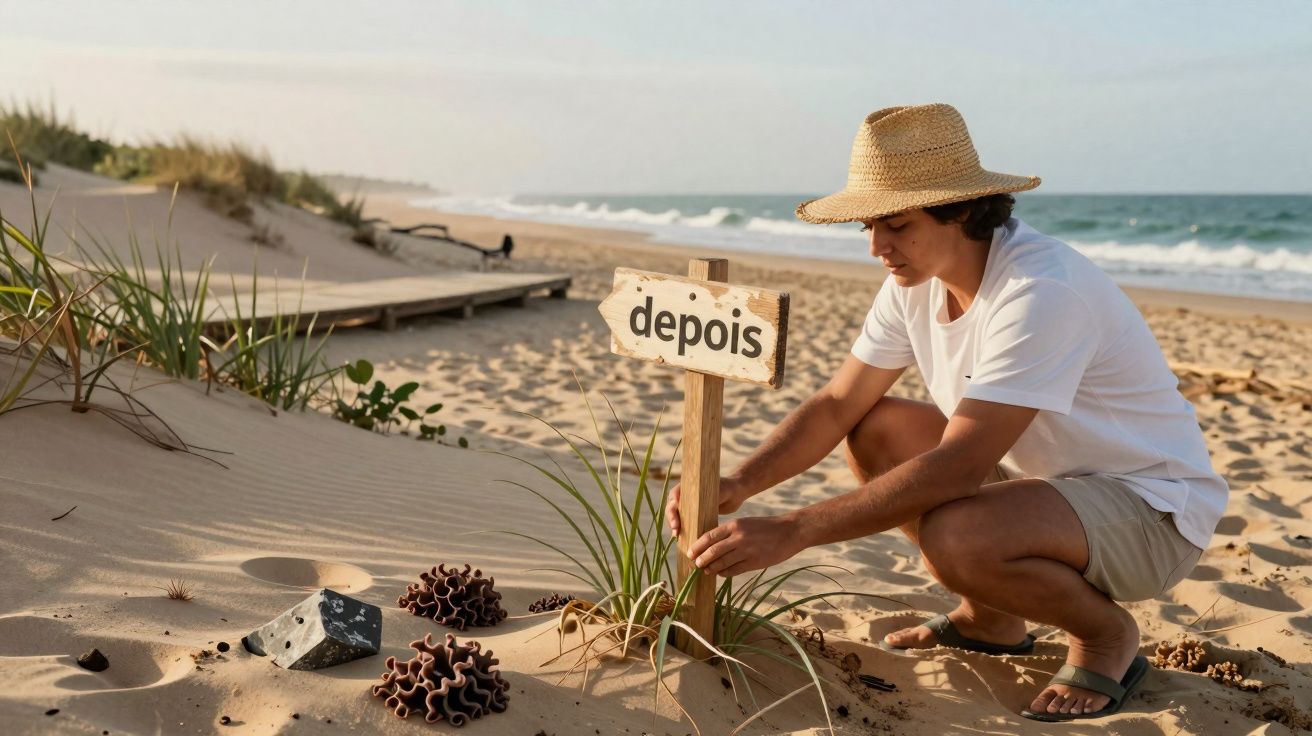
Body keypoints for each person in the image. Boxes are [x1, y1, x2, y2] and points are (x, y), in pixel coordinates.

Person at [664, 103, 1226, 722]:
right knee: (874, 426)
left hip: (1152, 510)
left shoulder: (1040, 291)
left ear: (959, 210)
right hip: (1046, 489)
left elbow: (957, 469)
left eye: (897, 225)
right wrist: (738, 484)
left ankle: (1104, 637)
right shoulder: (915, 279)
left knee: (956, 536)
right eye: (868, 228)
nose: (878, 246)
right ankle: (992, 620)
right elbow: (836, 403)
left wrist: (793, 530)